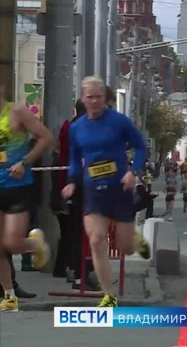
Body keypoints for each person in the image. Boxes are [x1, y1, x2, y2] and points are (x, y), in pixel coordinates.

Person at [61, 76, 151, 307]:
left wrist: (134, 171)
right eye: (89, 97)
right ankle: (108, 295)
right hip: (93, 190)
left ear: (106, 98)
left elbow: (141, 147)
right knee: (97, 239)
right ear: (82, 99)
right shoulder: (76, 128)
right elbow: (74, 159)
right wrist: (72, 181)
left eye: (98, 97)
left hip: (120, 188)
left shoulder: (119, 122)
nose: (94, 101)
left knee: (125, 247)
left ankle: (134, 239)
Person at [0, 82, 54, 312]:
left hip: (17, 186)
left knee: (11, 242)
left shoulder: (17, 112)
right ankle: (9, 295)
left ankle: (35, 243)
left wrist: (25, 162)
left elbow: (46, 137)